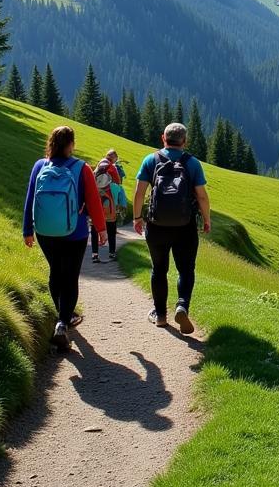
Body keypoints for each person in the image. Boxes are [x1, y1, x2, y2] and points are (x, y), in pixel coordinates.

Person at [23, 125, 108, 350]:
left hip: (44, 231)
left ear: (51, 142)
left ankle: (63, 315)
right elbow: (93, 201)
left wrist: (27, 230)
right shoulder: (82, 168)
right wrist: (101, 229)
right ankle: (63, 322)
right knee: (70, 277)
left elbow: (30, 198)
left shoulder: (40, 166)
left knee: (56, 272)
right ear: (71, 144)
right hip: (75, 232)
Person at [133, 121, 211, 333]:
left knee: (159, 269)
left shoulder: (151, 160)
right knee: (186, 269)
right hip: (185, 226)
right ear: (184, 141)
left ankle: (160, 316)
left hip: (156, 225)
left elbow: (140, 192)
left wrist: (137, 217)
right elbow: (202, 196)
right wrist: (206, 219)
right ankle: (182, 305)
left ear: (163, 138)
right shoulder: (192, 163)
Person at [90, 152, 123, 263]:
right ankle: (112, 253)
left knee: (95, 227)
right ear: (113, 158)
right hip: (109, 202)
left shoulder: (99, 165)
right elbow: (118, 182)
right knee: (111, 228)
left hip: (97, 201)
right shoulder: (112, 167)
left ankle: (95, 254)